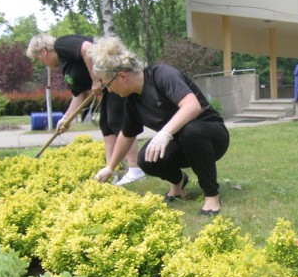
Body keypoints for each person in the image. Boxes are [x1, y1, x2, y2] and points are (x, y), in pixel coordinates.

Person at [89, 36, 229, 215]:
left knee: (191, 131)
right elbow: (127, 134)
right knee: (146, 159)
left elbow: (192, 106)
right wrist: (110, 167)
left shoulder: (162, 75)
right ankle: (178, 182)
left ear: (122, 76)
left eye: (107, 84)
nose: (108, 90)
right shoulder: (132, 100)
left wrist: (164, 134)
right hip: (182, 142)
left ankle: (211, 195)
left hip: (211, 136)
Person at [26, 34, 144, 185]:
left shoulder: (61, 45)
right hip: (108, 86)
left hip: (117, 78)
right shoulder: (67, 66)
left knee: (117, 122)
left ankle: (135, 170)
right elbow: (81, 94)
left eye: (38, 59)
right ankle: (110, 171)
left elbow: (87, 48)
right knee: (106, 127)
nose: (41, 63)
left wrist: (95, 80)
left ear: (43, 51)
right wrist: (66, 119)